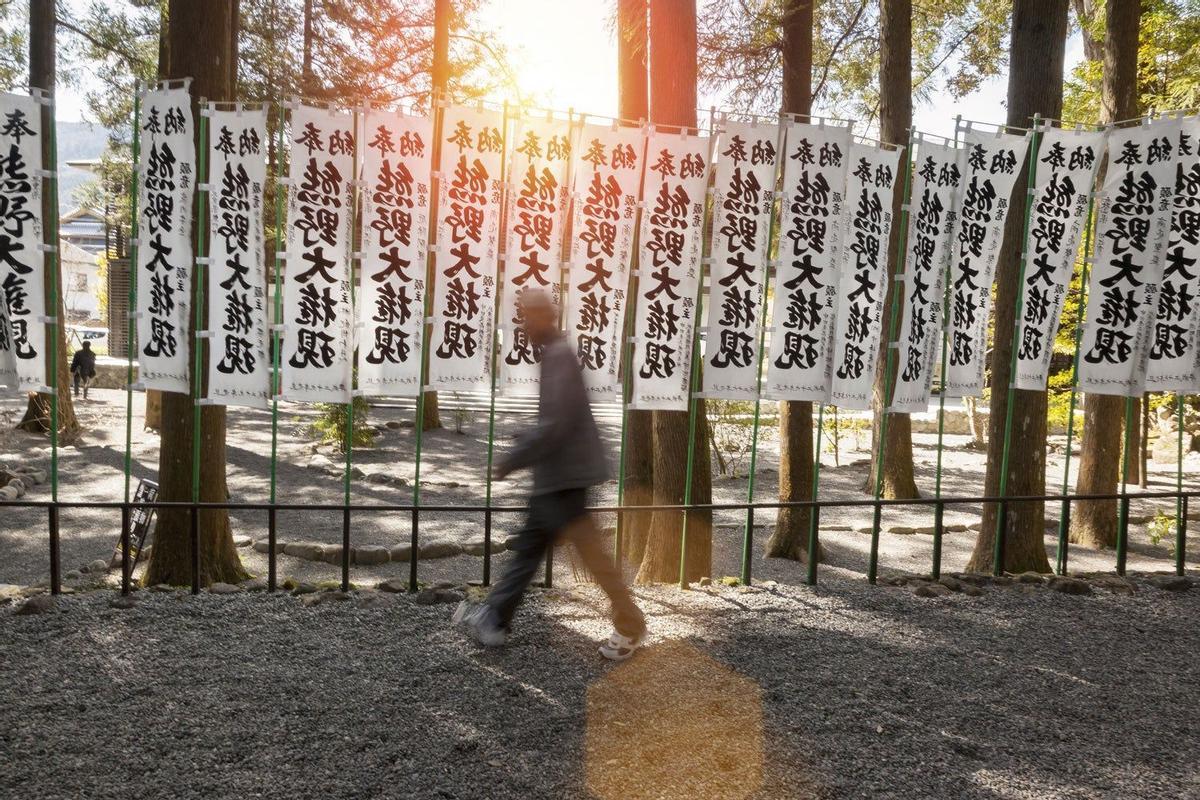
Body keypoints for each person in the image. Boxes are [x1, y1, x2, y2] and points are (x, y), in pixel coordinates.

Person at [454, 290, 647, 661]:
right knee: (533, 549)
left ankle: (631, 624)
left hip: (565, 477)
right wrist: (525, 444)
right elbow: (556, 422)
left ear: (544, 319)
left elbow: (557, 424)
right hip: (559, 476)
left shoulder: (559, 358)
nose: (523, 326)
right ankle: (495, 617)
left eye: (528, 318)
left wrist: (516, 455)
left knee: (589, 558)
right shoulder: (557, 356)